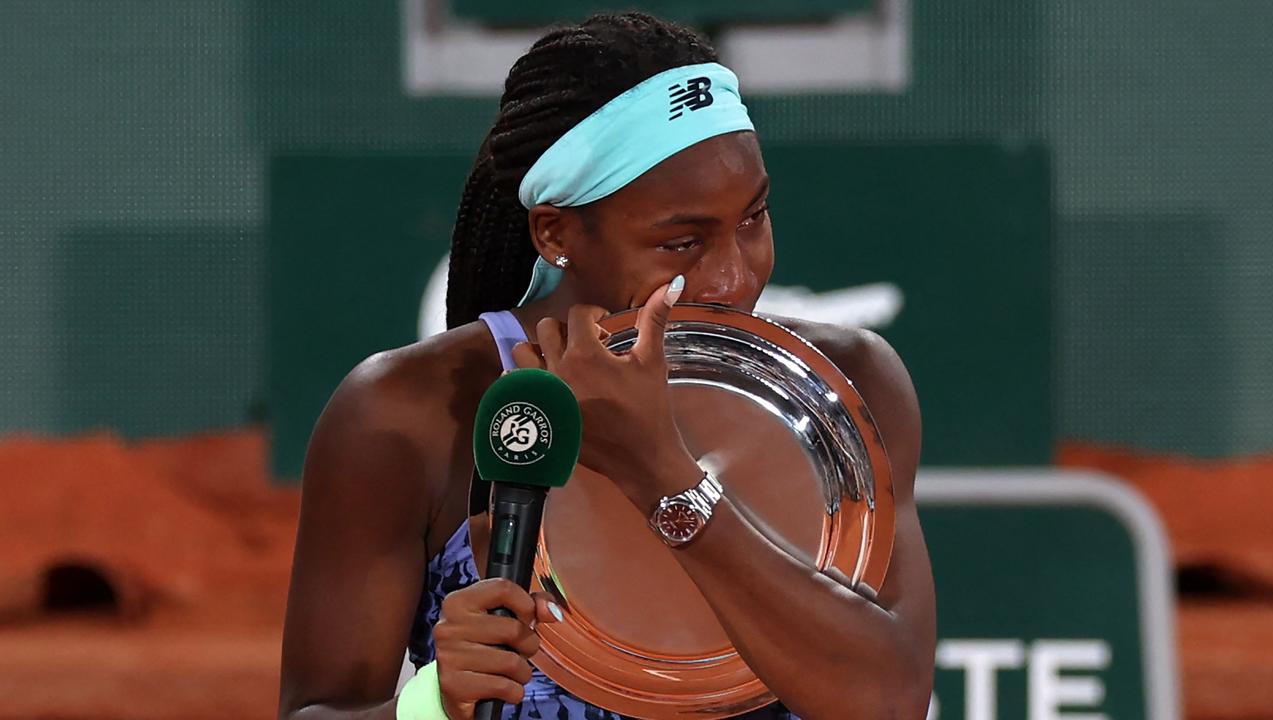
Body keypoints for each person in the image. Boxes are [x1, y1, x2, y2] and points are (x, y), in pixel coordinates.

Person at [278, 12, 935, 720]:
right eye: (681, 242)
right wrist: (432, 705)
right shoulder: (407, 415)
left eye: (754, 217)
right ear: (556, 232)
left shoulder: (847, 387)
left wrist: (657, 469)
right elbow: (319, 709)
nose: (731, 279)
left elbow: (889, 702)